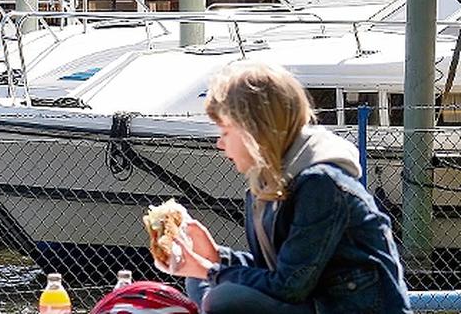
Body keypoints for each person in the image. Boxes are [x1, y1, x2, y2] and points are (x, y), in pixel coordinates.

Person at [160, 61, 411, 314]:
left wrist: (209, 269)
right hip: (309, 302)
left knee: (223, 298)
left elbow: (290, 286)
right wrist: (216, 257)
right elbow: (276, 272)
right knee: (199, 281)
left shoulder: (320, 184)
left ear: (253, 131)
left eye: (225, 132)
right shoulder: (268, 183)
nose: (219, 143)